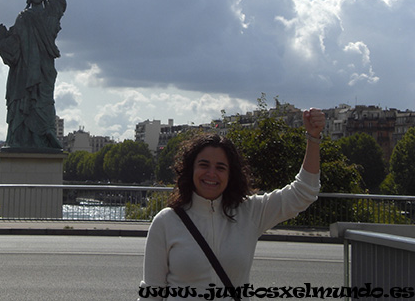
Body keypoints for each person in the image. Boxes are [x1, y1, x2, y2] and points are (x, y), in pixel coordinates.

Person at [138, 108, 325, 300]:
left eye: (220, 167)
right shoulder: (166, 221)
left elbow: (304, 192)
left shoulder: (250, 212)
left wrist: (313, 138)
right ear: (190, 169)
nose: (211, 174)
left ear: (230, 175)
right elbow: (152, 293)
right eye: (204, 165)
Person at [0, 0, 68, 150]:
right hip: (40, 70)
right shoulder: (50, 13)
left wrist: (0, 42)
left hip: (26, 73)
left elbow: (12, 52)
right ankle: (43, 134)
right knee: (43, 102)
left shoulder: (23, 18)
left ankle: (29, 136)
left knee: (26, 103)